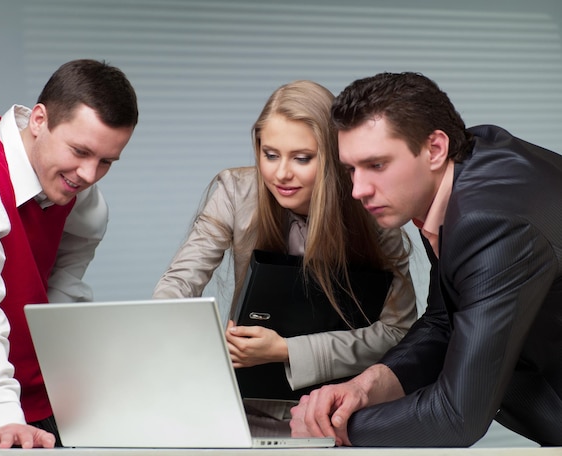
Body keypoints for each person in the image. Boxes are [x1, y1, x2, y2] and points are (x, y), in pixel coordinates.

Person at [289, 71, 562, 447]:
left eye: (377, 165)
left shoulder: (491, 219)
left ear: (434, 148)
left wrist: (338, 429)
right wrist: (364, 387)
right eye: (351, 169)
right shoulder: (455, 171)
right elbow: (443, 318)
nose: (358, 190)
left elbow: (457, 417)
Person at [153, 80, 417, 435]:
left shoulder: (372, 212)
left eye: (302, 158)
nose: (281, 174)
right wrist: (196, 338)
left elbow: (397, 332)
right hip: (241, 410)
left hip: (339, 414)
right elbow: (178, 286)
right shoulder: (235, 192)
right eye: (270, 154)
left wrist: (287, 350)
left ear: (334, 157)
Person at [0, 59, 138, 454]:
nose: (88, 174)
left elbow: (62, 296)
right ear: (39, 120)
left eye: (106, 161)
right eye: (80, 151)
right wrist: (3, 415)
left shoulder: (82, 198)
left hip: (42, 404)